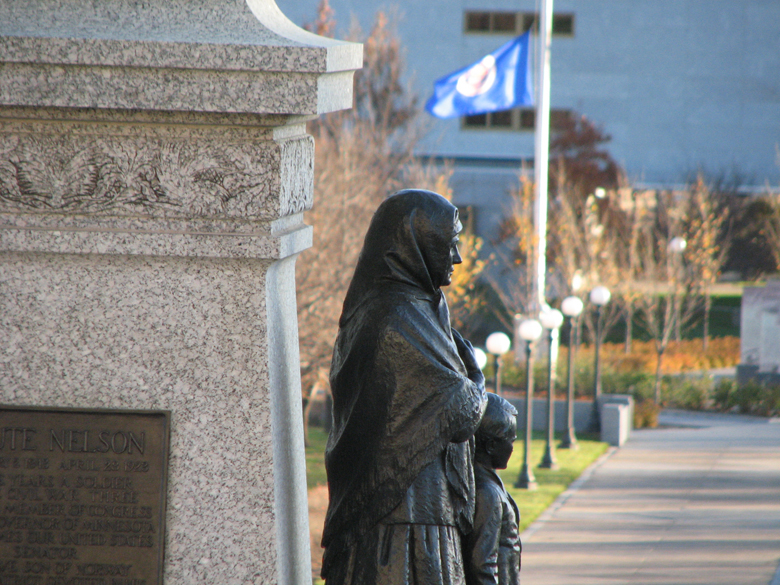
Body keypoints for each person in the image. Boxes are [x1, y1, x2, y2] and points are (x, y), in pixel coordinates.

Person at [321, 189, 487, 585]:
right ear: (414, 245)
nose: (458, 257)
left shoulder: (419, 308)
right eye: (450, 244)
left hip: (418, 508)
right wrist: (477, 378)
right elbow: (462, 411)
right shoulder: (397, 316)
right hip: (402, 516)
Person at [463, 393, 522, 585]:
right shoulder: (487, 493)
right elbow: (482, 565)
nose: (512, 448)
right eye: (510, 440)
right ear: (491, 445)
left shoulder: (487, 483)